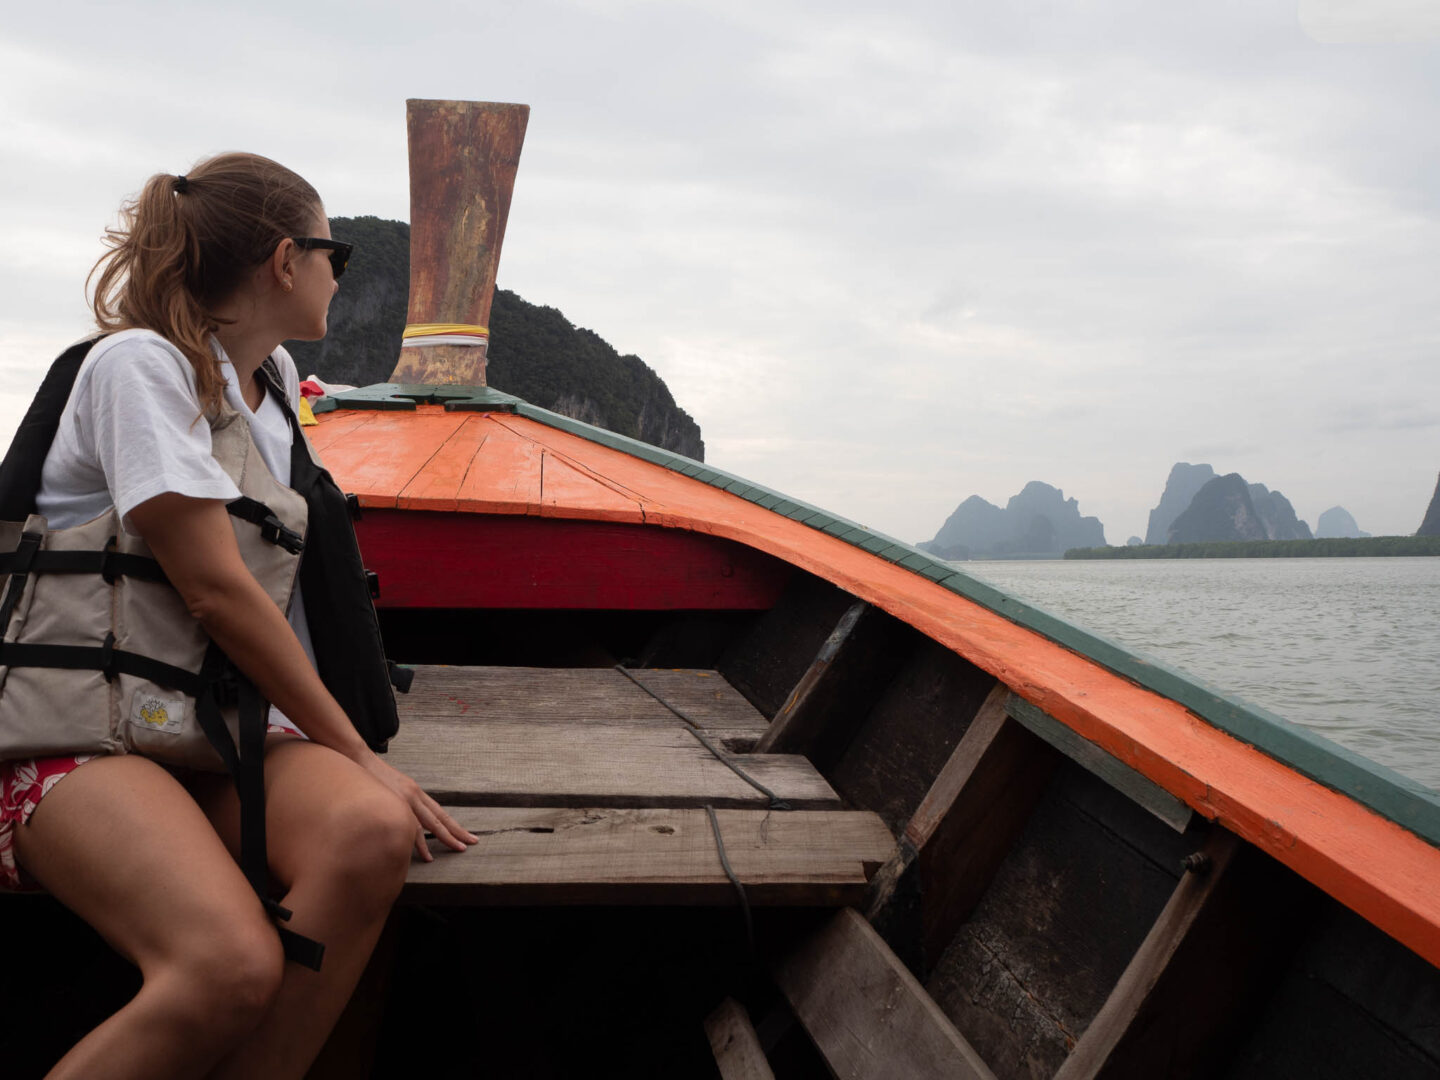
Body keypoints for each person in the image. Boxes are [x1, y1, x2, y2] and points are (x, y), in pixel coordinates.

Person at [0, 152, 477, 1079]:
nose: (340, 271)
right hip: (82, 739)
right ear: (283, 260)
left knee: (371, 834)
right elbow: (218, 590)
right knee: (226, 967)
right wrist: (360, 754)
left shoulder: (272, 388)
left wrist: (357, 767)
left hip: (207, 728)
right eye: (332, 250)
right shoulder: (139, 366)